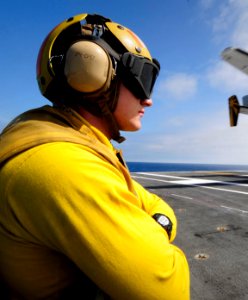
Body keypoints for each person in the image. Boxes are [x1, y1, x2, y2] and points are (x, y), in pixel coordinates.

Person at [0, 13, 190, 299]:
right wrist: (156, 230)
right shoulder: (64, 165)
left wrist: (156, 224)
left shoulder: (66, 142)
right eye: (143, 78)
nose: (148, 100)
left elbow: (150, 201)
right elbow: (168, 289)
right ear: (94, 71)